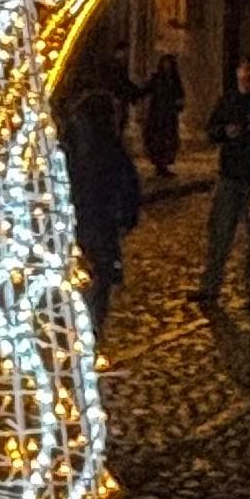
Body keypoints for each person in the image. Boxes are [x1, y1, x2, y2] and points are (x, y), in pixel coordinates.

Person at [197, 54, 250, 316]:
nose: (247, 75)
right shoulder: (229, 99)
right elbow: (211, 130)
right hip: (229, 176)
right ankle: (210, 285)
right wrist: (224, 132)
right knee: (219, 233)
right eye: (244, 69)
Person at [63, 86, 142, 336]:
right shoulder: (108, 146)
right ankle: (90, 324)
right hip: (99, 218)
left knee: (84, 270)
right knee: (99, 273)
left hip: (79, 217)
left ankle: (81, 323)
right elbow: (128, 183)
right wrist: (127, 216)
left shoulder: (70, 144)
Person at [142, 52, 187, 178]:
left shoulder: (175, 80)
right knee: (157, 141)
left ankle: (164, 166)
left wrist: (179, 103)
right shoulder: (156, 78)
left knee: (168, 141)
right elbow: (147, 89)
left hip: (169, 116)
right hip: (157, 116)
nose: (167, 66)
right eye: (165, 63)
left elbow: (180, 94)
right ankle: (159, 165)